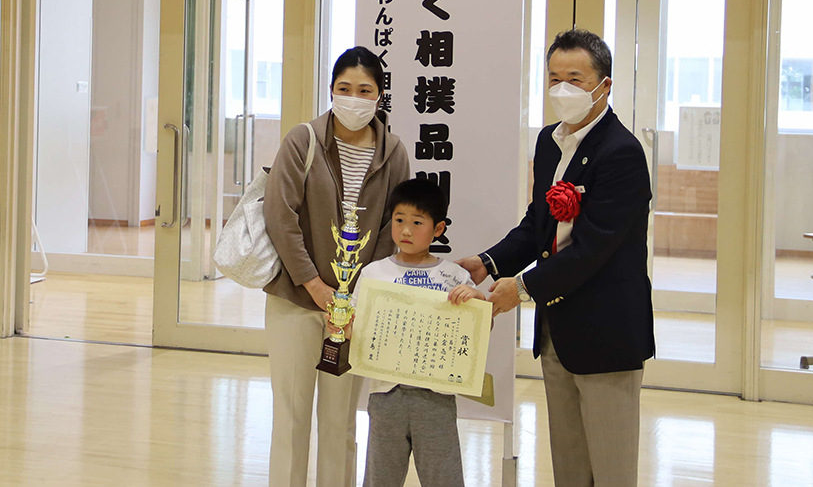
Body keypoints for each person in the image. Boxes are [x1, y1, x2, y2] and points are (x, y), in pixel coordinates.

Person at [456, 28, 655, 487]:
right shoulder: (549, 142)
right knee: (568, 465)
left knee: (611, 469)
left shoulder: (622, 152)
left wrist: (521, 288)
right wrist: (488, 261)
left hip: (607, 332)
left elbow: (592, 249)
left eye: (576, 78)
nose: (562, 89)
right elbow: (537, 224)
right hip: (557, 333)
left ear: (604, 86)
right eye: (554, 78)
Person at [263, 46, 411, 487]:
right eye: (344, 88)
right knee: (290, 421)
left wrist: (356, 295)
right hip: (295, 300)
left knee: (341, 425)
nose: (353, 98)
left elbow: (394, 228)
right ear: (331, 90)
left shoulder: (394, 152)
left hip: (356, 310)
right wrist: (314, 285)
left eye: (365, 90)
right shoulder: (303, 140)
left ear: (380, 96)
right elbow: (280, 216)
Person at [340, 178, 484, 487]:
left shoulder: (454, 276)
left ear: (438, 229)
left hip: (437, 399)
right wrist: (342, 325)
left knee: (443, 477)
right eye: (399, 220)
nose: (405, 230)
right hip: (385, 395)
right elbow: (357, 330)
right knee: (381, 477)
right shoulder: (373, 273)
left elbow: (479, 330)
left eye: (417, 222)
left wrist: (479, 300)